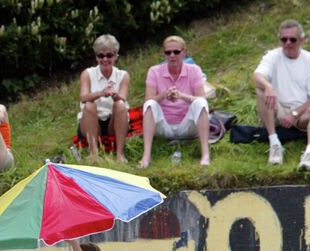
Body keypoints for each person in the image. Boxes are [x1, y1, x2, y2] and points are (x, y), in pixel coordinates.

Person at [253, 19, 310, 170]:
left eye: (292, 39)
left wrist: (294, 114)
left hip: (301, 113)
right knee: (260, 90)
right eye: (283, 39)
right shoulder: (272, 56)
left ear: (301, 40)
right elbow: (256, 76)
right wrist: (268, 87)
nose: (287, 43)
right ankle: (275, 144)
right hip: (277, 109)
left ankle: (309, 152)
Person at [138, 36, 211, 169]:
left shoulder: (194, 70)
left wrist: (181, 96)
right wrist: (164, 95)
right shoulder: (154, 71)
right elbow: (148, 99)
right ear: (164, 54)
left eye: (176, 52)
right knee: (149, 104)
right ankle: (146, 156)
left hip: (187, 125)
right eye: (168, 52)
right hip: (163, 126)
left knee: (200, 103)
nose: (172, 56)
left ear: (184, 52)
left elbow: (202, 98)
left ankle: (205, 154)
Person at [78, 34, 131, 163]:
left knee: (119, 105)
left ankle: (120, 154)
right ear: (96, 57)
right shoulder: (87, 74)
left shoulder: (123, 75)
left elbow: (123, 98)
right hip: (91, 120)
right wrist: (102, 93)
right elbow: (83, 97)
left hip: (113, 121)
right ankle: (94, 154)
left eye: (109, 55)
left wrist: (114, 95)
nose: (105, 59)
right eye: (101, 56)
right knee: (89, 104)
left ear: (116, 56)